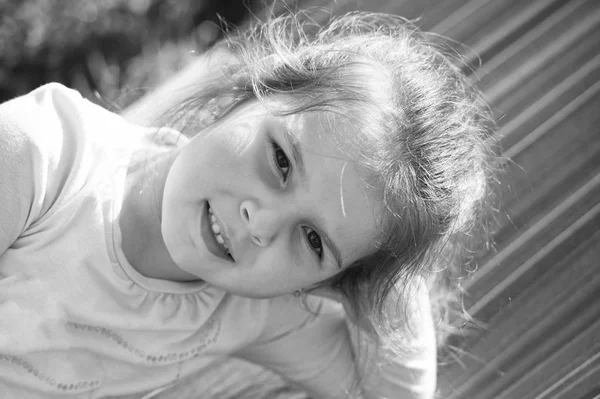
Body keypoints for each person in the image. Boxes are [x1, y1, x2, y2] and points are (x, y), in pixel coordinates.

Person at [0, 11, 496, 399]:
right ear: (253, 90)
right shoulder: (45, 152)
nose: (261, 224)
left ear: (321, 285)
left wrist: (385, 268)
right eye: (280, 160)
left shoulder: (250, 309)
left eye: (313, 240)